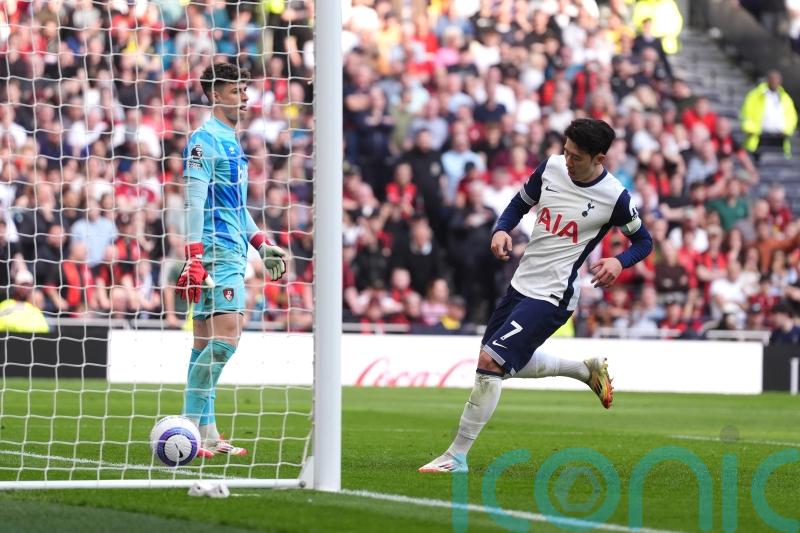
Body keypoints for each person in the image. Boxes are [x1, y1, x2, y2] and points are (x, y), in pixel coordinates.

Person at [419, 119, 653, 473]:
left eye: (576, 156)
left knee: (490, 363)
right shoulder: (551, 167)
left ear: (599, 158)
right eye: (565, 151)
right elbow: (519, 202)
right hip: (521, 283)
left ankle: (456, 456)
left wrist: (620, 262)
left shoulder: (615, 197)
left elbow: (644, 241)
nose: (567, 159)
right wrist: (501, 229)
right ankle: (583, 370)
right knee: (499, 366)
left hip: (554, 294)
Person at [177, 62, 287, 458]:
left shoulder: (231, 140)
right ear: (215, 94)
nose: (244, 96)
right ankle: (186, 428)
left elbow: (235, 205)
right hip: (215, 253)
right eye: (236, 89)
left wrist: (261, 243)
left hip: (232, 249)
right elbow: (193, 200)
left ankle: (205, 434)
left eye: (244, 88)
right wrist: (193, 255)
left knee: (204, 344)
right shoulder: (204, 140)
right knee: (225, 342)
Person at [740, 70, 798, 158]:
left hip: (779, 138)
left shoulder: (785, 98)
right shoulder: (755, 95)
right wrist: (753, 130)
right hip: (760, 137)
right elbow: (746, 115)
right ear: (768, 80)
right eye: (773, 79)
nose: (775, 82)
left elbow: (792, 117)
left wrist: (787, 130)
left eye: (777, 80)